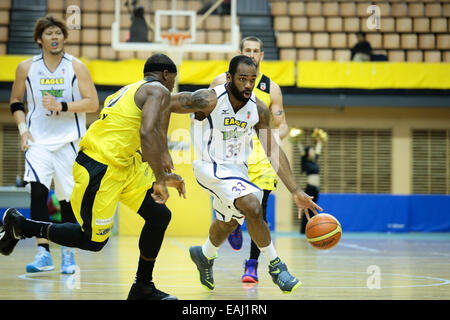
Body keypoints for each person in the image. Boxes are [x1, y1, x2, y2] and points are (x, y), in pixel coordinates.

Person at [1, 53, 186, 300]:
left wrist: (161, 175)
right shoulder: (157, 90)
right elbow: (148, 134)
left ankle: (142, 286)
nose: (172, 85)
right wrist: (160, 179)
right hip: (101, 170)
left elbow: (130, 141)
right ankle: (22, 225)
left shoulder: (129, 91)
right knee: (93, 241)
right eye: (173, 80)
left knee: (159, 214)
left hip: (122, 168)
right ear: (166, 74)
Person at [168, 55, 322, 293]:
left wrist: (296, 190)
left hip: (238, 172)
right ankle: (276, 266)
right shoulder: (208, 99)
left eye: (252, 79)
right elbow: (164, 103)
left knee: (228, 223)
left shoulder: (259, 109)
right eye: (242, 79)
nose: (248, 85)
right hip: (210, 167)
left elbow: (272, 148)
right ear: (229, 78)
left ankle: (204, 254)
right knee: (254, 206)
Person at [8, 16, 99, 274]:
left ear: (64, 38)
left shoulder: (76, 67)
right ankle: (43, 253)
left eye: (58, 32)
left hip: (69, 141)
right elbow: (16, 101)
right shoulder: (26, 67)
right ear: (40, 39)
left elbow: (92, 103)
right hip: (38, 141)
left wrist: (62, 106)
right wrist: (23, 130)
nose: (55, 36)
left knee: (67, 200)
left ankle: (68, 255)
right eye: (49, 33)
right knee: (38, 192)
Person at [209, 36, 288, 283]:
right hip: (229, 152)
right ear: (239, 53)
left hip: (259, 153)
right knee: (232, 213)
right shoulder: (222, 82)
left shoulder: (272, 88)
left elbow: (282, 123)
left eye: (256, 51)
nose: (252, 54)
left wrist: (273, 137)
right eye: (247, 50)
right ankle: (232, 224)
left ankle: (252, 264)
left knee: (259, 210)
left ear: (262, 56)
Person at [289, 128, 328, 234]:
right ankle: (303, 230)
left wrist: (319, 140)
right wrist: (297, 140)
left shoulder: (314, 162)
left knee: (313, 209)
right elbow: (301, 149)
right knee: (307, 208)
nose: (313, 151)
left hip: (316, 188)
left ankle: (310, 228)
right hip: (310, 187)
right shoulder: (305, 162)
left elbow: (318, 151)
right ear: (306, 153)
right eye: (310, 150)